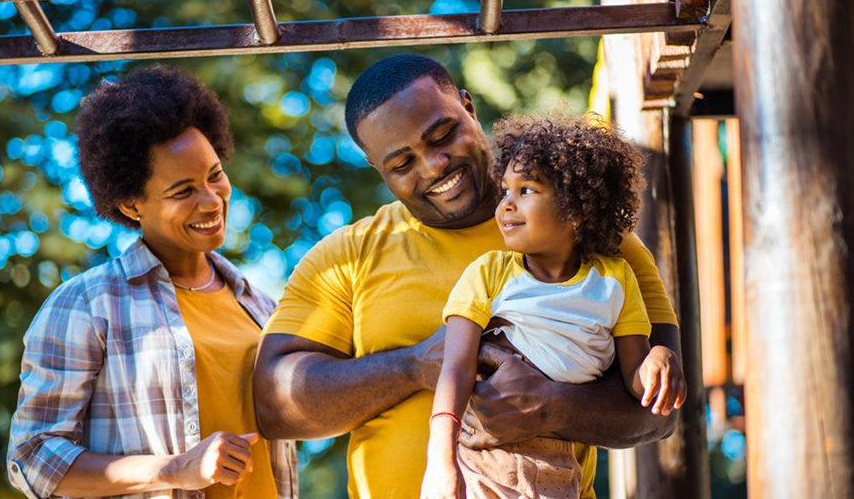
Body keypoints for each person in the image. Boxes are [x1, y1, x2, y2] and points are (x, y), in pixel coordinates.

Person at [253, 54, 682, 499]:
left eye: (443, 135)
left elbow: (662, 411)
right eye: (402, 163)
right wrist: (415, 365)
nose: (434, 165)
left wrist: (552, 407)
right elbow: (274, 406)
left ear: (468, 107)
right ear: (373, 166)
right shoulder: (345, 257)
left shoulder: (592, 237)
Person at [7, 67, 296, 499]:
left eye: (214, 175)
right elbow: (33, 457)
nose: (211, 200)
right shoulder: (85, 306)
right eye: (183, 191)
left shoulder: (262, 308)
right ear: (130, 204)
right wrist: (174, 469)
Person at [421, 115, 687, 499]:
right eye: (504, 190)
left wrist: (659, 360)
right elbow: (456, 368)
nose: (506, 205)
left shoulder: (615, 280)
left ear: (577, 209)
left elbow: (635, 379)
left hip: (559, 463)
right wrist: (441, 462)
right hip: (482, 458)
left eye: (526, 190)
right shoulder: (488, 275)